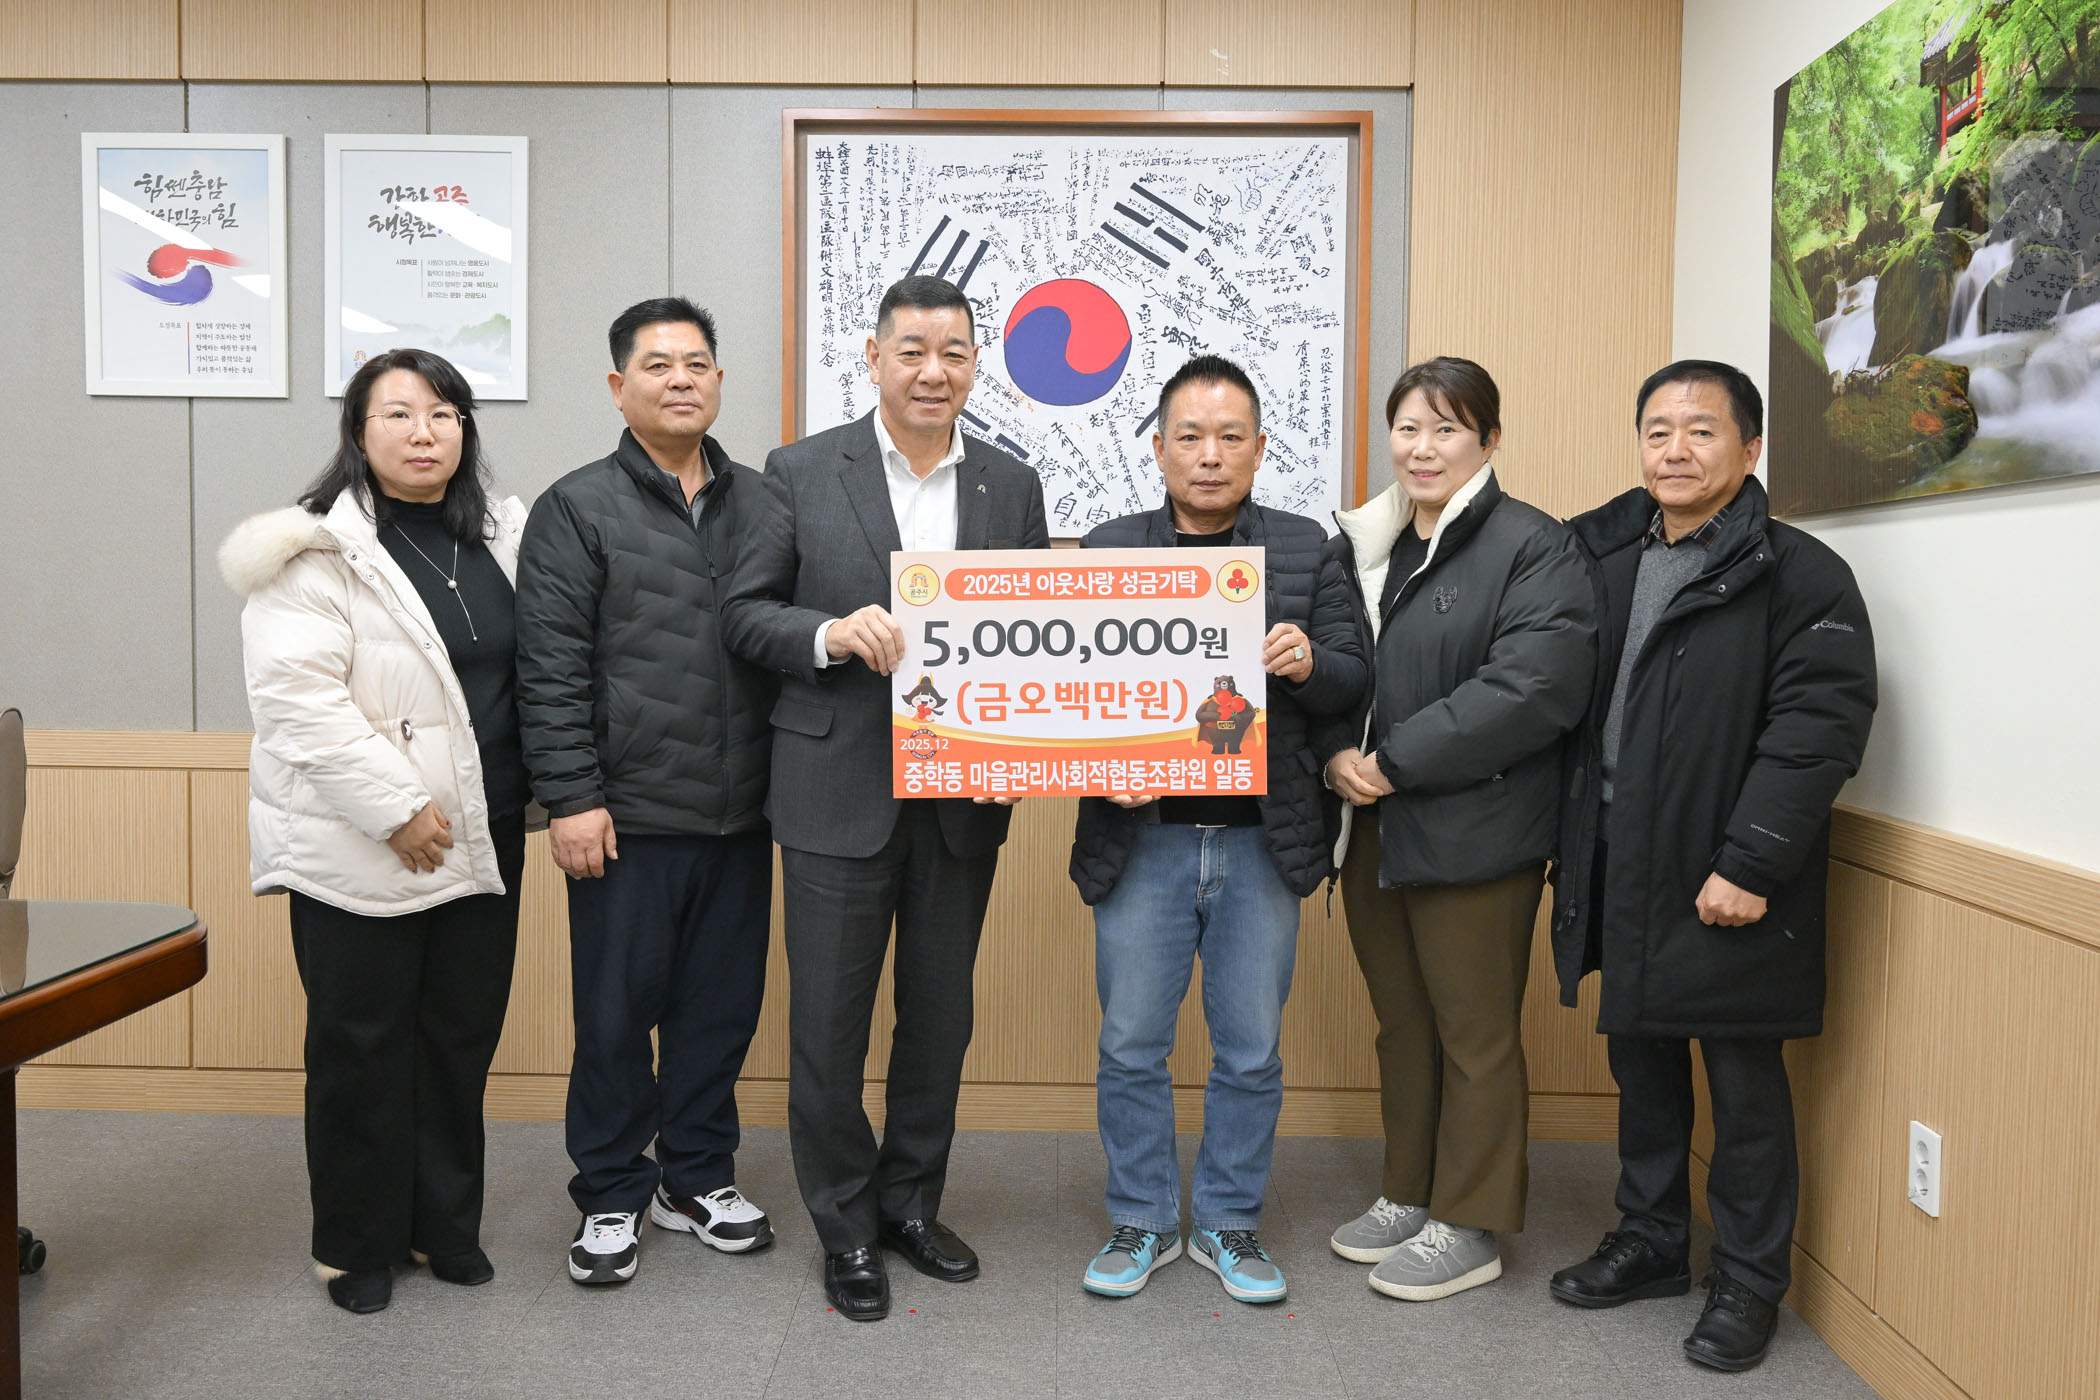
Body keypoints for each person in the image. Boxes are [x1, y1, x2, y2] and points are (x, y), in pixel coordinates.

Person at [722, 274, 1048, 1322]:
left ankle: (911, 1204)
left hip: (962, 795)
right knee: (828, 1026)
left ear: (975, 365)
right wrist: (829, 633)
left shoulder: (1010, 483)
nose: (931, 371)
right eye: (912, 350)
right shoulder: (800, 469)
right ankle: (847, 1225)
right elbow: (745, 613)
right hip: (835, 786)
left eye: (952, 352)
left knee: (939, 1021)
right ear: (872, 358)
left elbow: (1033, 641)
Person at [1546, 360, 1875, 1373]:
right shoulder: (1611, 557)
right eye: (1657, 431)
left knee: (1743, 1083)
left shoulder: (1801, 573)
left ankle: (1748, 1278)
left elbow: (1816, 730)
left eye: (1701, 430)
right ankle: (1651, 1237)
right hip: (1620, 854)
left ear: (1751, 446)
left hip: (1726, 870)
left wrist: (1752, 862)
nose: (1676, 450)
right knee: (1640, 1059)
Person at [220, 348, 529, 1314]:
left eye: (442, 413)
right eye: (398, 413)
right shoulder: (310, 551)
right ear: (359, 432)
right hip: (358, 837)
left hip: (484, 830)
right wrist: (396, 810)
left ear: (464, 429)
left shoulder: (502, 538)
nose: (422, 432)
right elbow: (296, 701)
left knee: (458, 1037)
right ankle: (354, 1243)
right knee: (361, 1046)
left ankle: (444, 1227)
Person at [1068, 355, 1366, 1305]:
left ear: (1260, 448)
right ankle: (1144, 1219)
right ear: (1158, 448)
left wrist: (1309, 661)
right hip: (1142, 840)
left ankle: (1230, 1223)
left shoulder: (1306, 548)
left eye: (1230, 437)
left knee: (1250, 1051)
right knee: (1130, 1046)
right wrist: (1099, 766)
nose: (1209, 455)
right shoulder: (1109, 548)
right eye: (1190, 437)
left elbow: (1354, 677)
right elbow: (1069, 697)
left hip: (1262, 842)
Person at [1315, 356, 1597, 1303]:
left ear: (1490, 440)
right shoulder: (1367, 544)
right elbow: (1340, 671)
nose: (1423, 448)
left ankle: (1469, 1223)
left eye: (1447, 429)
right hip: (1373, 829)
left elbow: (1533, 688)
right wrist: (1335, 755)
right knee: (1404, 1025)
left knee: (1474, 1033)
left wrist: (1392, 761)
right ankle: (1410, 1190)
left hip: (1478, 833)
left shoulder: (1535, 547)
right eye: (1408, 428)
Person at [514, 298, 778, 1287]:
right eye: (658, 364)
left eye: (697, 363)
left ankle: (697, 1176)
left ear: (719, 381)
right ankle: (612, 1189)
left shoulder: (766, 503)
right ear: (618, 386)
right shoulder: (577, 506)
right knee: (617, 1018)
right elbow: (548, 668)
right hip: (623, 818)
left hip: (743, 814)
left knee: (720, 1012)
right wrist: (570, 796)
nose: (681, 380)